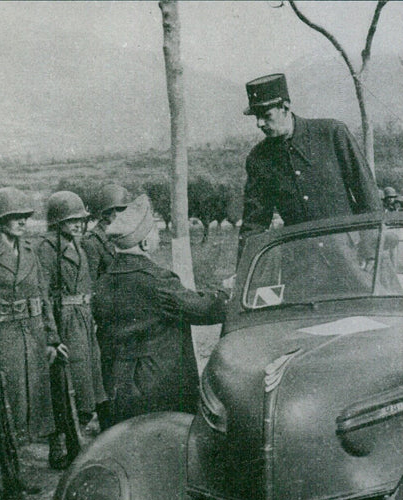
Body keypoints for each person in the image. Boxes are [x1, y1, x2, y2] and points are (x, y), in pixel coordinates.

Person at [92, 195, 227, 428]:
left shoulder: (103, 282)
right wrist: (224, 293)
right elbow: (203, 311)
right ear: (144, 243)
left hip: (116, 384)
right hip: (157, 386)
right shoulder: (157, 281)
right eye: (154, 231)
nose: (158, 236)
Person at [0, 187, 69, 469]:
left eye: (25, 216)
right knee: (9, 398)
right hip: (4, 335)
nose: (23, 222)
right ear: (0, 220)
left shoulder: (29, 249)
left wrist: (52, 338)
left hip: (34, 332)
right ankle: (4, 468)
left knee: (41, 394)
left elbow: (43, 295)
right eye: (16, 217)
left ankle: (52, 449)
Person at [238, 73, 381, 256]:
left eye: (266, 116)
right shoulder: (259, 158)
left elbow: (367, 195)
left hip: (351, 255)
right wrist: (243, 272)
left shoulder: (332, 133)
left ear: (285, 107)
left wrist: (371, 251)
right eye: (256, 117)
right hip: (302, 263)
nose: (260, 124)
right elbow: (254, 223)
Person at [37, 191, 107, 441]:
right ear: (57, 222)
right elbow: (42, 294)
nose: (78, 224)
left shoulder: (78, 244)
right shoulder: (46, 248)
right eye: (71, 220)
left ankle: (76, 437)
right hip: (64, 320)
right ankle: (61, 444)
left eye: (81, 219)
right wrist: (52, 336)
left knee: (88, 381)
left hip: (83, 319)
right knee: (68, 383)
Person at [81, 183, 129, 426]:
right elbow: (88, 282)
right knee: (106, 365)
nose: (121, 214)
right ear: (106, 213)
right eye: (117, 210)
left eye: (123, 209)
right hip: (105, 313)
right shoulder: (92, 242)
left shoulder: (120, 235)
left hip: (121, 310)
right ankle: (106, 419)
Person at [81, 183, 130, 280]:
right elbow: (91, 280)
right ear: (110, 212)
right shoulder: (92, 241)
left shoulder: (123, 236)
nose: (126, 215)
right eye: (122, 209)